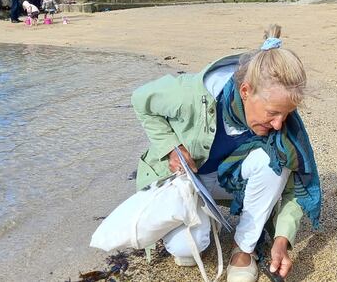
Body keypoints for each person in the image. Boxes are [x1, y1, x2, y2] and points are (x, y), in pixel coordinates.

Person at [132, 25, 321, 282]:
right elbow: (141, 100)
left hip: (225, 181)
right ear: (245, 91)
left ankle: (243, 249)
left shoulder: (280, 121)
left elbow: (290, 188)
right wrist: (172, 147)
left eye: (286, 114)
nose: (279, 124)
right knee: (185, 249)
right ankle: (206, 217)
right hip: (185, 180)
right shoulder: (190, 94)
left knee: (274, 161)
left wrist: (281, 239)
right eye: (273, 113)